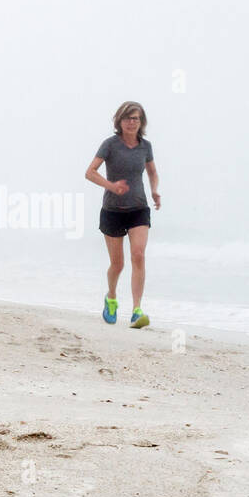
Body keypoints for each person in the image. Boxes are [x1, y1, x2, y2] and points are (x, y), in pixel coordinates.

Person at [84, 102, 160, 328]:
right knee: (117, 264)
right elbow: (90, 172)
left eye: (135, 118)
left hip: (138, 209)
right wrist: (111, 185)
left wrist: (155, 190)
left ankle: (137, 311)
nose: (131, 122)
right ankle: (111, 297)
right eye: (127, 118)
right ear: (119, 121)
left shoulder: (145, 146)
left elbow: (153, 172)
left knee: (139, 255)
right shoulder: (110, 145)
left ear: (141, 122)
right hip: (112, 211)